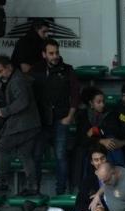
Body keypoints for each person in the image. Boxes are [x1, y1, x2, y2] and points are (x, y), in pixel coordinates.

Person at [30, 38, 80, 195]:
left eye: (56, 52)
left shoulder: (67, 69)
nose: (55, 56)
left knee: (61, 157)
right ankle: (34, 190)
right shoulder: (35, 70)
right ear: (44, 54)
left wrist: (70, 116)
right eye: (51, 53)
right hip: (40, 122)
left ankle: (60, 192)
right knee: (35, 156)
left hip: (60, 119)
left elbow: (75, 95)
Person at [0, 56, 42, 196]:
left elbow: (23, 102)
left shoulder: (17, 80)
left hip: (23, 124)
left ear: (9, 67)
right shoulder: (18, 78)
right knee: (25, 154)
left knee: (2, 146)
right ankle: (32, 187)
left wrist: (5, 111)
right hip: (31, 124)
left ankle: (1, 182)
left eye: (1, 71)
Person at [73, 89, 109, 187]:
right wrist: (99, 138)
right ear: (91, 103)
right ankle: (84, 186)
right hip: (87, 148)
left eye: (103, 102)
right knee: (83, 153)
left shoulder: (107, 115)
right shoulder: (84, 116)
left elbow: (106, 132)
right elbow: (82, 140)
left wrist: (95, 131)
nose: (102, 105)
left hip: (102, 148)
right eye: (99, 102)